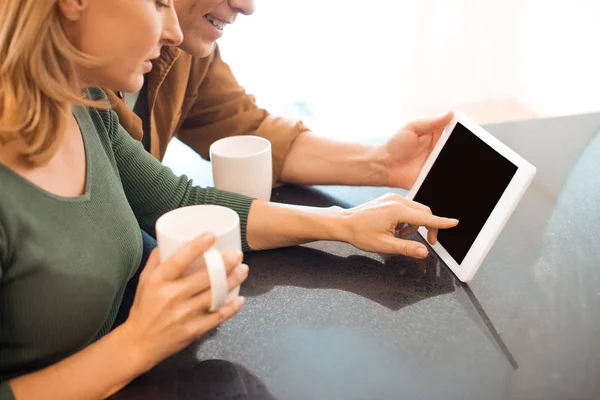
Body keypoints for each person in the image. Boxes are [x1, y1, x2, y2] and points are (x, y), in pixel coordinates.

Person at [0, 0, 457, 398]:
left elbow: (179, 198)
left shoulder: (84, 106)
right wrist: (137, 344)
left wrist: (342, 222)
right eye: (158, 0)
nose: (174, 31)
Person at [109, 0, 455, 192]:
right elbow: (170, 200)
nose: (247, 6)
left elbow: (248, 132)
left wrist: (384, 162)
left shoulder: (189, 53)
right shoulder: (71, 86)